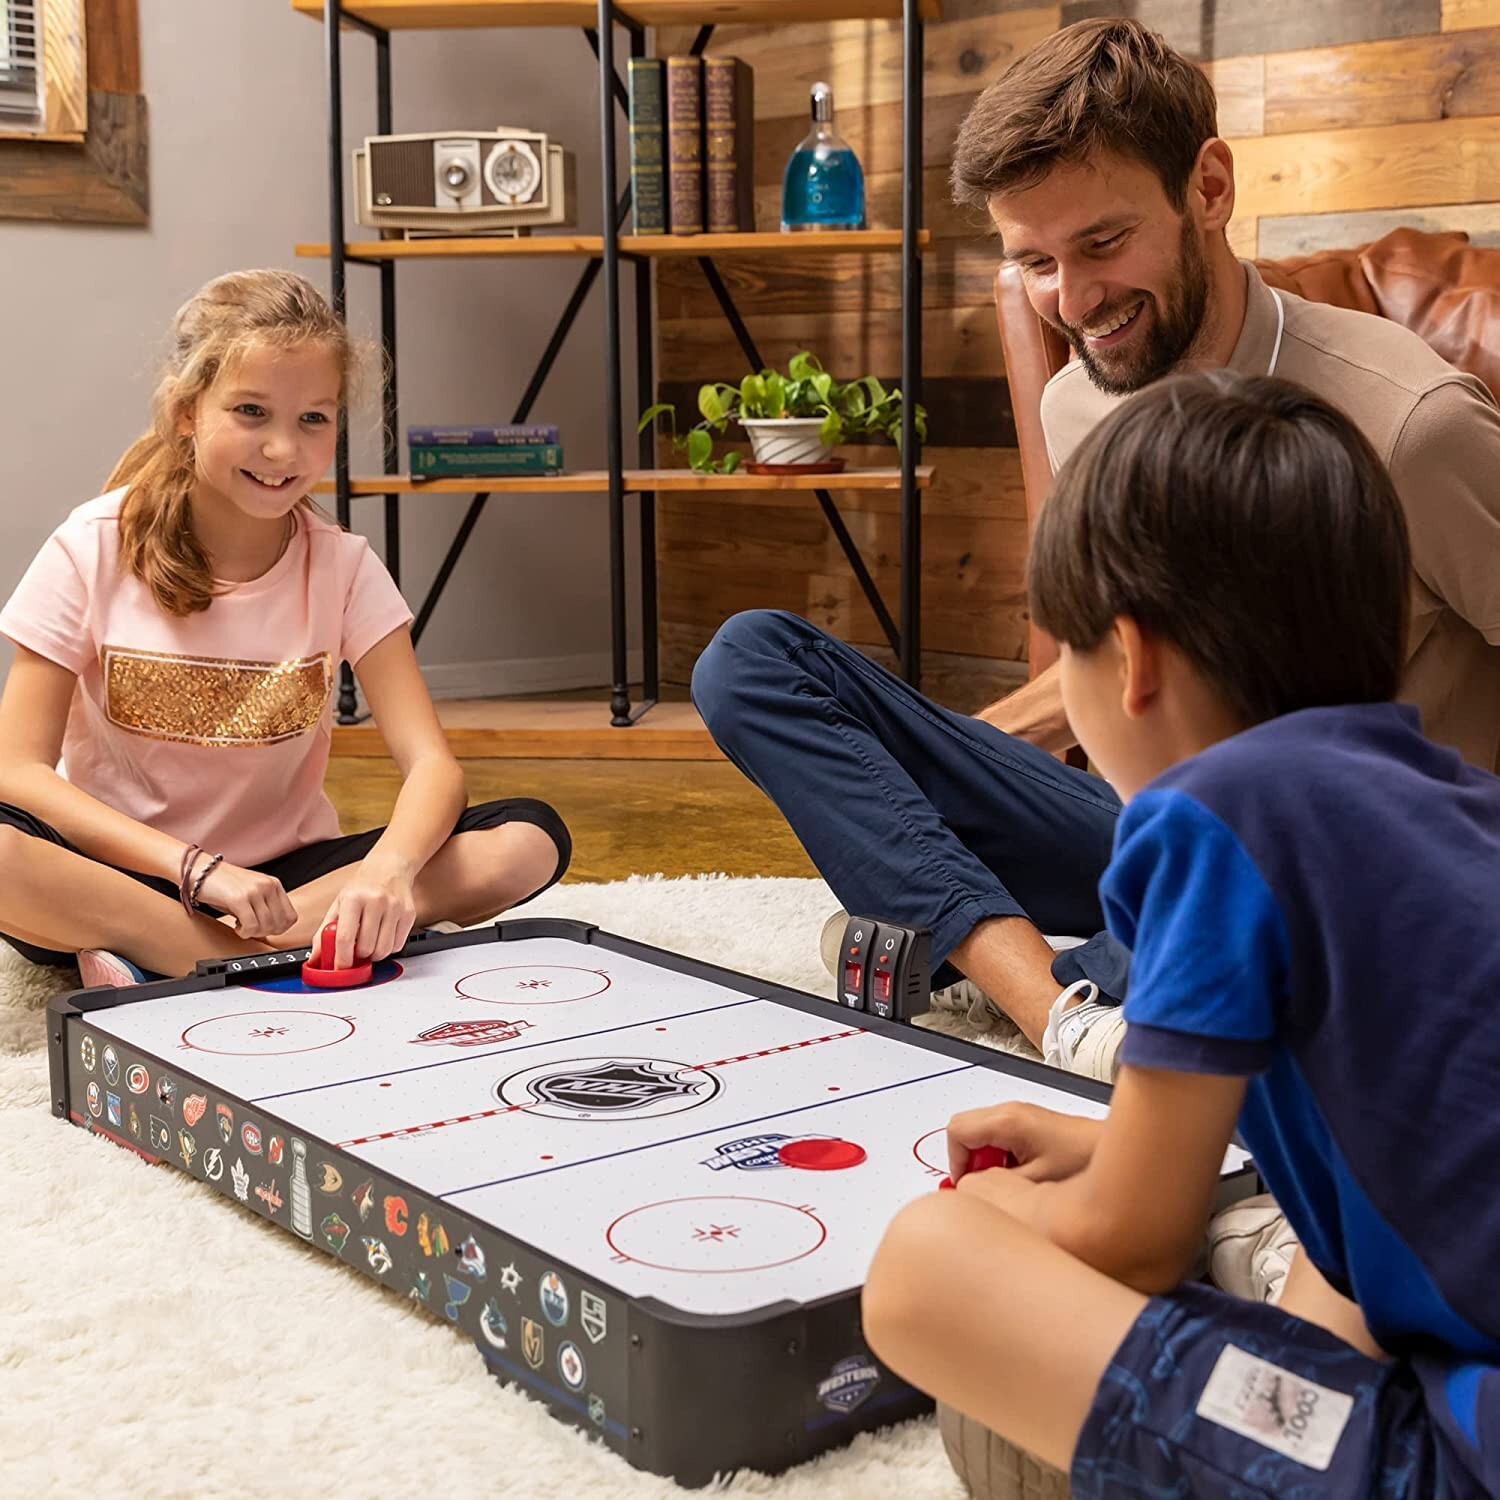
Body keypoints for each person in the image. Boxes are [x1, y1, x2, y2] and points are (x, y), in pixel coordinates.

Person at [689, 17, 1500, 1079]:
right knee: (751, 661)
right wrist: (932, 773)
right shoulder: (1084, 405)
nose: (1072, 306)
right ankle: (1067, 1007)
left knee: (1201, 948)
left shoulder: (1412, 426)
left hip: (1342, 875)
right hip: (1154, 821)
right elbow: (1122, 671)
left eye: (1103, 245)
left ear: (1208, 188)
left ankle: (994, 961)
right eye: (1034, 261)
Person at [862, 369, 1500, 1500]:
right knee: (1333, 1259)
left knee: (928, 1265)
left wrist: (1009, 1209)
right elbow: (1410, 1138)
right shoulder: (1455, 802)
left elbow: (1133, 1244)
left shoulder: (1206, 817)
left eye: (1065, 654)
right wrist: (1118, 1148)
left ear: (1132, 656)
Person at [0, 269, 569, 987]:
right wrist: (198, 872)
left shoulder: (345, 568)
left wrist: (390, 873)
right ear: (185, 411)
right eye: (250, 412)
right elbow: (15, 769)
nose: (283, 450)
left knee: (525, 839)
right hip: (122, 866)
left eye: (313, 419)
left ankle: (163, 955)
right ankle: (228, 950)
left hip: (283, 883)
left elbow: (433, 766)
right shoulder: (91, 545)